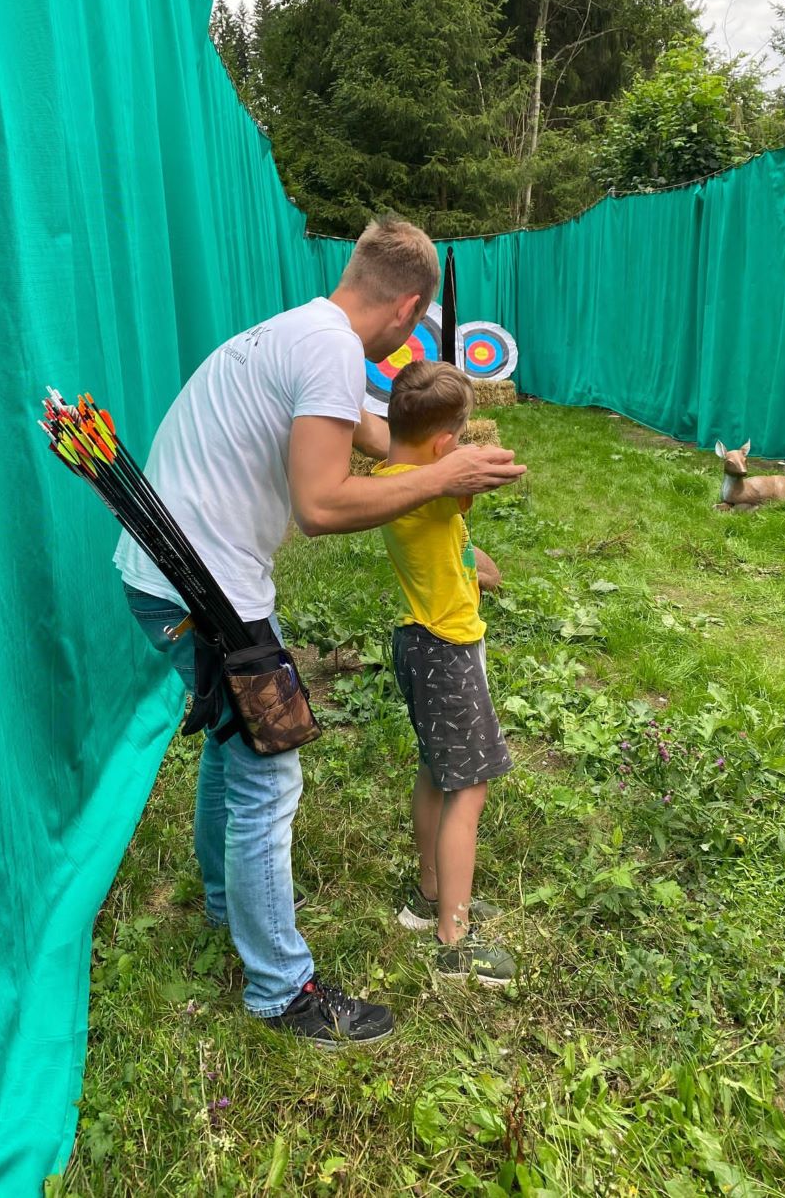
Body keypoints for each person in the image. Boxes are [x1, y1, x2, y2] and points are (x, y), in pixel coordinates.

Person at [114, 216, 526, 1044]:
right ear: (411, 309)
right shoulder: (335, 350)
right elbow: (323, 502)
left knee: (236, 741)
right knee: (269, 771)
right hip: (202, 587)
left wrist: (426, 460)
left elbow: (373, 435)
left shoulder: (302, 329)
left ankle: (226, 904)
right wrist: (446, 471)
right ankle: (281, 990)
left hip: (163, 574)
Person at [373, 360, 516, 985]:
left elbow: (459, 538)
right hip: (445, 650)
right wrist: (471, 456)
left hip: (423, 642)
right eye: (457, 435)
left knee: (437, 769)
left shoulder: (391, 476)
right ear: (443, 444)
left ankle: (431, 892)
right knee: (469, 789)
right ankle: (454, 936)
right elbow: (485, 472)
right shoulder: (433, 488)